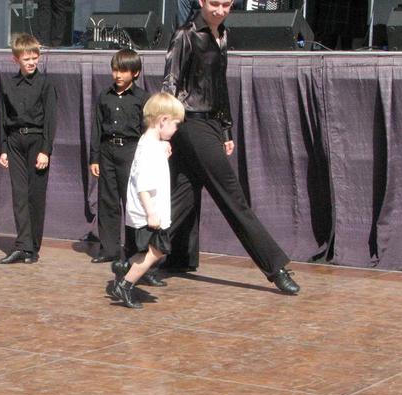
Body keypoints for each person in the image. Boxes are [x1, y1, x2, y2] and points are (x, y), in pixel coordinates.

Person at [162, 0, 300, 295]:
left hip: (211, 123)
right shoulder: (185, 34)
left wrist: (226, 128)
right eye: (215, 3)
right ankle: (275, 267)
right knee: (232, 198)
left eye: (226, 4)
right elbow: (169, 85)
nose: (220, 10)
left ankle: (139, 259)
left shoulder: (222, 36)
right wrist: (163, 134)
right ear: (201, 2)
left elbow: (219, 86)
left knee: (182, 198)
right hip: (189, 124)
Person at [110, 93, 185, 309]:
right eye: (175, 124)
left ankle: (125, 267)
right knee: (156, 250)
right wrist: (151, 211)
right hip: (148, 212)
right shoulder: (150, 149)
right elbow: (142, 184)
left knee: (154, 250)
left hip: (151, 210)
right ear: (163, 120)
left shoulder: (150, 143)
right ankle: (125, 283)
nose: (176, 130)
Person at [0, 33, 57, 265]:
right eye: (26, 59)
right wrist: (3, 147)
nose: (31, 62)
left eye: (35, 58)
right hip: (14, 141)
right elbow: (3, 117)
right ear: (16, 60)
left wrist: (46, 149)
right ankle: (22, 245)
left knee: (35, 196)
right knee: (19, 195)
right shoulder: (9, 84)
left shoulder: (45, 84)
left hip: (36, 141)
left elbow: (51, 119)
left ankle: (33, 247)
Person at [89, 49, 149, 265]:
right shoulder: (104, 96)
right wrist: (94, 158)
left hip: (131, 151)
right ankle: (109, 249)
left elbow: (146, 130)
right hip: (107, 150)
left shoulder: (142, 98)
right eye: (115, 70)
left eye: (123, 71)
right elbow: (96, 128)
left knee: (132, 202)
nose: (118, 75)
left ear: (135, 73)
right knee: (107, 201)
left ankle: (134, 250)